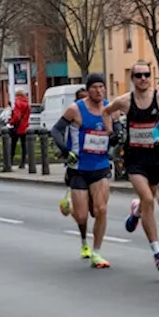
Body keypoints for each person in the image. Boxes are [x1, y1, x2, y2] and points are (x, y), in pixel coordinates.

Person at [104, 61, 159, 270]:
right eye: (138, 75)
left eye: (146, 75)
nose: (143, 79)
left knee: (147, 202)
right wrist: (111, 133)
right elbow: (106, 112)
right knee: (149, 200)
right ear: (132, 79)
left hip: (155, 158)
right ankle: (157, 252)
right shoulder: (125, 101)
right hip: (134, 159)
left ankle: (136, 212)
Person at [51, 74, 114, 269]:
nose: (98, 90)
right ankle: (84, 242)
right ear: (88, 89)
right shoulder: (75, 109)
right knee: (82, 216)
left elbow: (116, 130)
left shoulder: (109, 108)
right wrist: (65, 151)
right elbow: (55, 130)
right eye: (94, 87)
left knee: (101, 210)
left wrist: (117, 137)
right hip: (78, 168)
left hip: (100, 166)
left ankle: (96, 252)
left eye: (101, 86)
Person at [57, 88, 88, 217]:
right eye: (82, 99)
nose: (85, 101)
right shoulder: (72, 113)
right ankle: (71, 206)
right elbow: (59, 131)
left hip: (93, 161)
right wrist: (64, 150)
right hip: (75, 161)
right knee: (80, 206)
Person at [9, 89, 30, 166]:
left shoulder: (17, 103)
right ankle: (23, 162)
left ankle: (10, 160)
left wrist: (11, 121)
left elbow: (17, 116)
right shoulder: (27, 103)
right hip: (24, 126)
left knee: (13, 144)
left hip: (17, 126)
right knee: (23, 144)